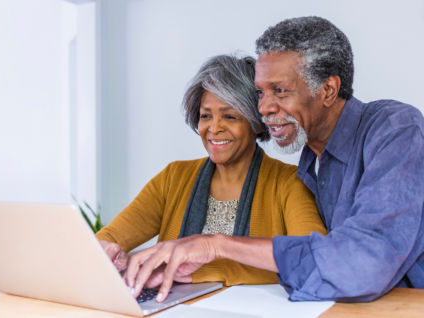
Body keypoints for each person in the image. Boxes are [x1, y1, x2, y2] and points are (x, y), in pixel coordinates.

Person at [124, 17, 424, 303]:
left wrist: (216, 245)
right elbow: (319, 264)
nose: (264, 107)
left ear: (328, 90)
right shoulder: (311, 161)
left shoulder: (395, 129)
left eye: (279, 90)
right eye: (260, 93)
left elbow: (361, 263)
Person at [96, 54, 326, 289]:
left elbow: (314, 260)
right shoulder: (173, 178)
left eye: (229, 116)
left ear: (256, 122)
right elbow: (108, 238)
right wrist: (110, 253)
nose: (214, 128)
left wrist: (194, 270)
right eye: (206, 116)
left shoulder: (290, 183)